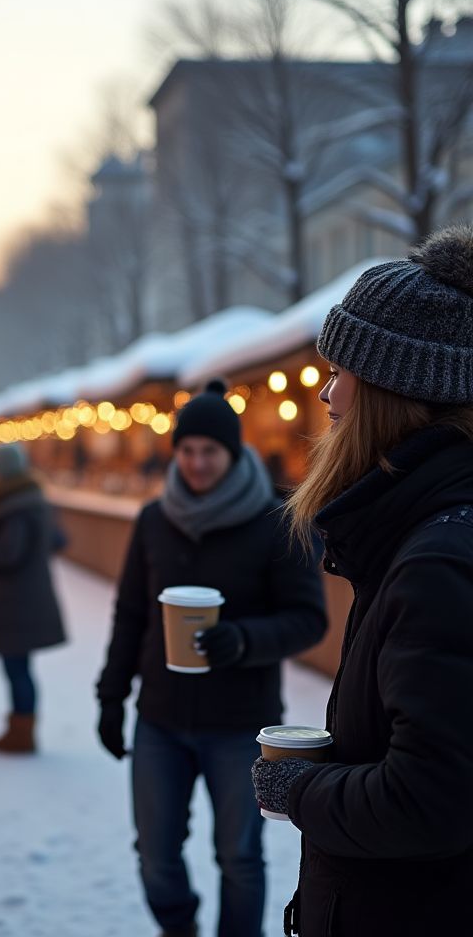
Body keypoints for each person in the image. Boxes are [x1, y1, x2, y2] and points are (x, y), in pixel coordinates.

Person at [251, 228, 473, 936]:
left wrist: (304, 788)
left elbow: (429, 799)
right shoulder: (429, 535)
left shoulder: (437, 561)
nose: (326, 394)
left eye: (343, 371)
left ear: (393, 393)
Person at [96, 380, 326, 937]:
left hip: (239, 723)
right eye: (187, 450)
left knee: (240, 857)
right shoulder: (154, 519)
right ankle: (179, 926)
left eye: (210, 451)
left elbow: (308, 618)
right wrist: (110, 697)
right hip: (160, 719)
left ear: (233, 451)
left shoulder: (276, 521)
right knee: (155, 854)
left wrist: (242, 640)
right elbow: (130, 614)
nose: (197, 463)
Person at [0, 443, 67, 754]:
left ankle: (21, 734)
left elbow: (8, 552)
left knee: (17, 668)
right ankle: (19, 729)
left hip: (15, 603)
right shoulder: (29, 501)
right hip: (22, 600)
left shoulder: (14, 507)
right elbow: (57, 539)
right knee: (18, 667)